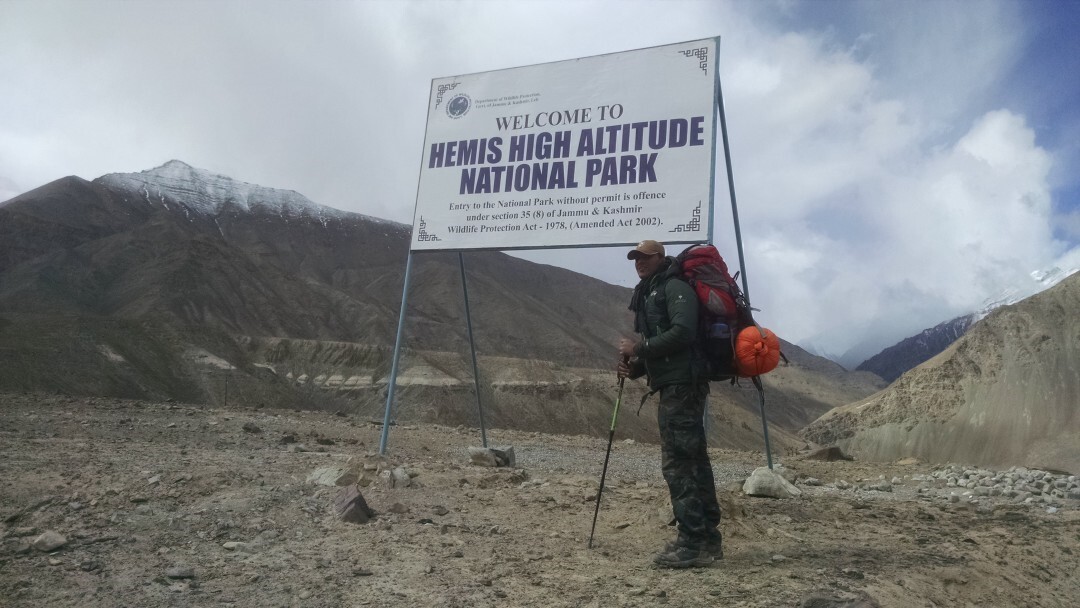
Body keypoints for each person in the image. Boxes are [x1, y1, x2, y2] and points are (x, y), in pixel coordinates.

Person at [617, 239, 723, 568]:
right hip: (675, 384)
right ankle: (706, 539)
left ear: (661, 257)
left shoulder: (674, 287)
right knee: (691, 460)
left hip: (683, 387)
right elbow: (665, 346)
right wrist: (634, 368)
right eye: (635, 258)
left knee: (679, 463)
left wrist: (639, 348)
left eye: (645, 257)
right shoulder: (651, 292)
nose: (639, 262)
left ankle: (693, 544)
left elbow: (683, 333)